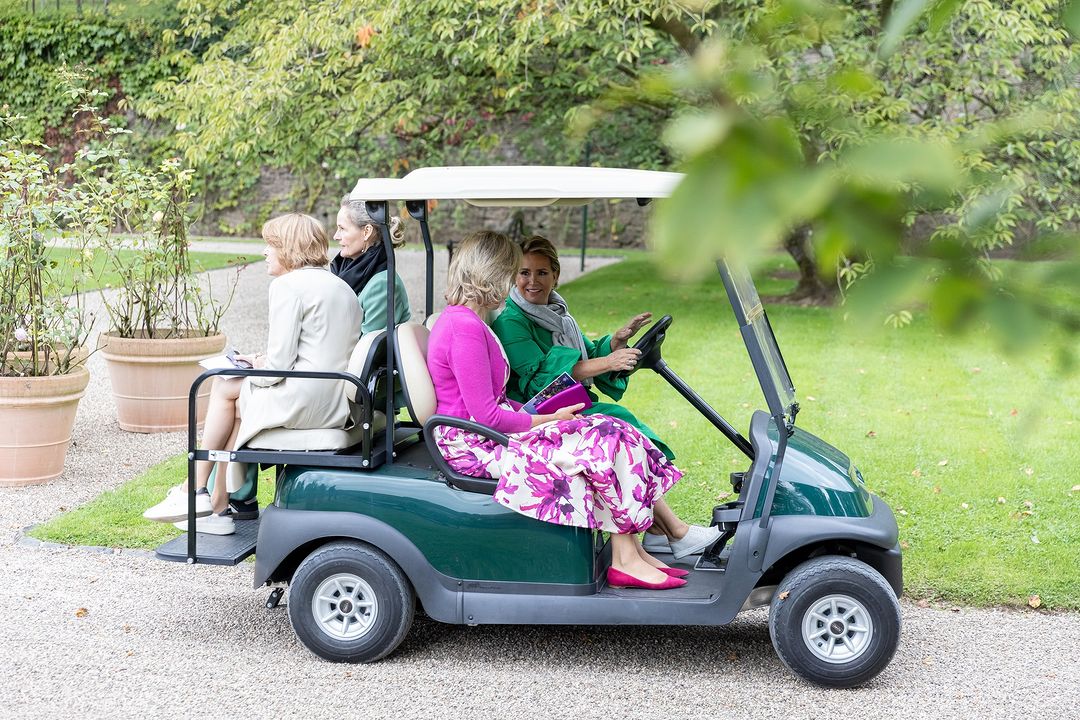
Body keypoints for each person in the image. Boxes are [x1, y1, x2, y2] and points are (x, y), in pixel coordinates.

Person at [427, 230, 689, 590]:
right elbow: (486, 417)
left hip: (488, 434)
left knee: (612, 430)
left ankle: (631, 552)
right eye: (511, 271)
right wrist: (549, 419)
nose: (515, 282)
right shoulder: (464, 329)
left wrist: (546, 414)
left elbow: (495, 405)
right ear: (493, 273)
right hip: (474, 445)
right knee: (604, 441)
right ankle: (627, 558)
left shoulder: (473, 323)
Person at [491, 235, 720, 559]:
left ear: (555, 275)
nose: (532, 281)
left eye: (542, 273)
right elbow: (543, 379)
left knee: (627, 427)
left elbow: (585, 352)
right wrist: (607, 362)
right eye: (524, 273)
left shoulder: (557, 314)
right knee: (622, 430)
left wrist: (615, 342)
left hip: (568, 405)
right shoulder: (513, 321)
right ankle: (674, 531)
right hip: (540, 412)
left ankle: (656, 530)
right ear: (514, 276)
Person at [143, 214, 363, 535]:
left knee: (224, 384)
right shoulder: (340, 286)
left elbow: (277, 370)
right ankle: (214, 506)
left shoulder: (287, 286)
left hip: (304, 401)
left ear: (289, 248)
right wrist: (258, 363)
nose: (265, 252)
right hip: (335, 400)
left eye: (271, 245)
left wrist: (249, 370)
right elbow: (314, 350)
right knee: (235, 400)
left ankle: (193, 491)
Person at [331, 195, 411, 334]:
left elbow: (366, 347)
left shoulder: (382, 285)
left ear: (367, 232)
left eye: (342, 228)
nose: (336, 236)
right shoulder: (345, 270)